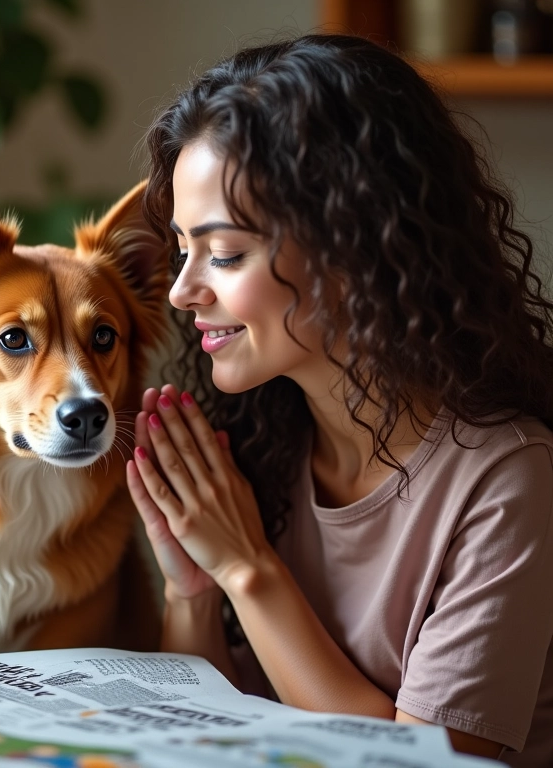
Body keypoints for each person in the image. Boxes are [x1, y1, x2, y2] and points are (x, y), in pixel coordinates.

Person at [124, 34, 553, 765]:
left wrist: (247, 569)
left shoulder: (507, 477)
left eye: (223, 254)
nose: (180, 291)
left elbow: (421, 762)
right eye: (182, 249)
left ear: (354, 246)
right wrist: (192, 589)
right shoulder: (265, 437)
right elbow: (201, 727)